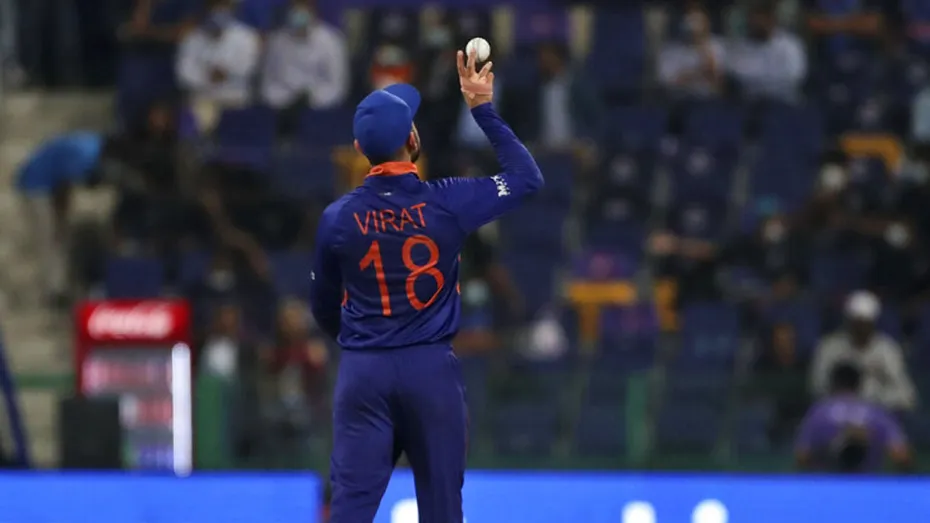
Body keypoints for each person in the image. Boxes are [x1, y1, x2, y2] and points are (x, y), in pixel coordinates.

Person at [309, 50, 542, 522]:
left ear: (358, 148)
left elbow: (322, 306)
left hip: (362, 371)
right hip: (430, 370)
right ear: (413, 139)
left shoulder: (337, 219)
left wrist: (361, 344)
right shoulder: (450, 201)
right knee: (442, 511)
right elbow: (526, 178)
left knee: (349, 510)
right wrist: (482, 110)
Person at [16, 131, 109, 304]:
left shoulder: (94, 144)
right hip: (36, 185)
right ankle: (54, 291)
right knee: (48, 237)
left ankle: (63, 284)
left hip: (57, 184)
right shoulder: (87, 154)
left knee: (62, 235)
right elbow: (80, 180)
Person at [810, 290, 917, 411]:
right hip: (838, 412)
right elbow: (817, 387)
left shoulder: (887, 349)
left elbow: (907, 395)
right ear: (848, 322)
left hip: (879, 412)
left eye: (865, 323)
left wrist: (875, 399)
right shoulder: (829, 347)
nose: (861, 329)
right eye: (857, 323)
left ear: (873, 323)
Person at [795, 363, 911, 472]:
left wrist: (826, 448)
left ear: (833, 384)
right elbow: (901, 456)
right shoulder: (877, 412)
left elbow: (802, 457)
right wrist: (873, 441)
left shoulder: (819, 412)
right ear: (859, 384)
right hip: (869, 482)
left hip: (828, 482)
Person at [261, 0, 349, 137]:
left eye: (304, 7)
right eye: (295, 8)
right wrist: (287, 101)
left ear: (313, 10)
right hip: (280, 110)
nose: (299, 13)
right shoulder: (277, 41)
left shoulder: (332, 41)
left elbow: (337, 87)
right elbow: (268, 84)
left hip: (320, 112)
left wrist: (310, 99)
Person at [176, 0, 260, 113]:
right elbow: (183, 73)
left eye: (223, 6)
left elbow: (250, 68)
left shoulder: (247, 36)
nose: (219, 11)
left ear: (232, 9)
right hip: (202, 100)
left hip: (235, 100)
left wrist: (227, 73)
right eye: (215, 6)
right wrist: (206, 76)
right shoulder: (193, 37)